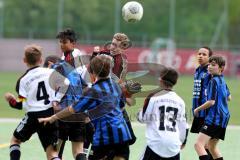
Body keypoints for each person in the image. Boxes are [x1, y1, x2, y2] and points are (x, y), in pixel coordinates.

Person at [39, 54, 132, 160]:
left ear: (92, 72)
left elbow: (73, 109)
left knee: (59, 150)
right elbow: (121, 105)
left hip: (104, 137)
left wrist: (52, 118)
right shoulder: (115, 86)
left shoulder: (94, 91)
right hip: (122, 135)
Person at [4, 44, 65, 160]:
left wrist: (11, 100)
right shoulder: (50, 72)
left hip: (33, 116)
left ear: (24, 60)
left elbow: (20, 105)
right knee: (52, 153)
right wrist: (56, 99)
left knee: (15, 140)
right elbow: (66, 83)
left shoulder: (23, 80)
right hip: (49, 114)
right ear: (41, 60)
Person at [55, 28, 93, 160]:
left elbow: (88, 86)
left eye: (64, 42)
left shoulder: (76, 63)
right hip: (78, 112)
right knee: (78, 152)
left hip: (65, 111)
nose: (61, 45)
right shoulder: (63, 60)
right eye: (60, 42)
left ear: (73, 43)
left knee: (56, 149)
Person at [138, 67, 188, 160]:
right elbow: (183, 126)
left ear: (160, 80)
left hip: (156, 143)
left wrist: (139, 112)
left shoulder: (153, 96)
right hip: (173, 146)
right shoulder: (180, 101)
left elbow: (143, 118)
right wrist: (182, 142)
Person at [194, 55, 231, 160]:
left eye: (213, 65)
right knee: (212, 147)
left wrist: (197, 109)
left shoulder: (213, 81)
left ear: (221, 68)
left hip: (215, 118)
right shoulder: (222, 80)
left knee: (198, 145)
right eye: (209, 64)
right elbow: (229, 97)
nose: (209, 66)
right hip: (224, 118)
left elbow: (211, 102)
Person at [190, 47, 213, 159]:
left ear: (209, 58)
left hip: (207, 112)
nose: (200, 56)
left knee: (203, 145)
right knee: (206, 145)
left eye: (204, 54)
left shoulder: (210, 72)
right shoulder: (198, 70)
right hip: (199, 111)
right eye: (199, 53)